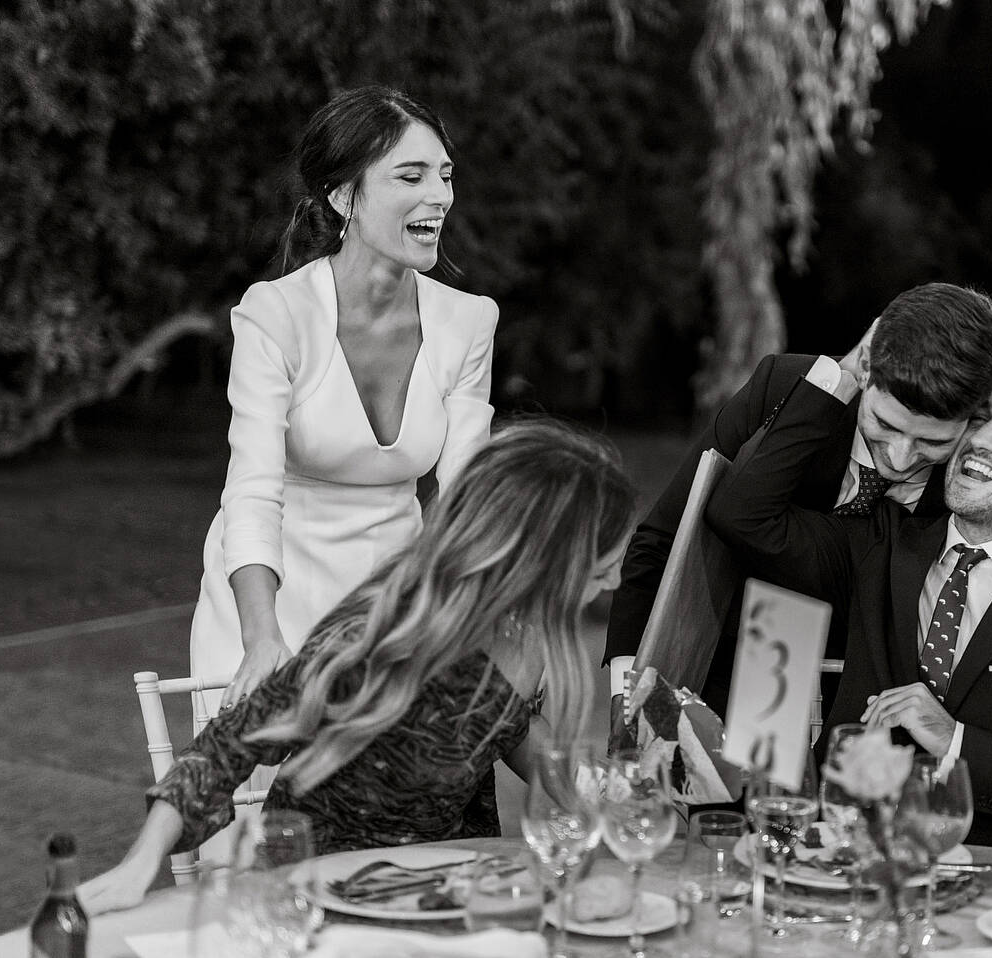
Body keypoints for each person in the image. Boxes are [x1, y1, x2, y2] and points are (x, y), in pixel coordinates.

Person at [80, 419, 638, 914]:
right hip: (319, 897)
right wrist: (139, 864)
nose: (613, 584)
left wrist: (608, 795)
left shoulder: (524, 634)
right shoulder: (380, 638)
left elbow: (504, 728)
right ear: (540, 559)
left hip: (443, 891)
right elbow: (229, 746)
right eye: (601, 568)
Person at [604, 283, 992, 751]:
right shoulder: (791, 390)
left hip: (876, 693)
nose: (902, 456)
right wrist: (630, 684)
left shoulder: (974, 471)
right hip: (751, 656)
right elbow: (666, 536)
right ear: (869, 376)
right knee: (738, 837)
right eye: (883, 426)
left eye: (932, 441)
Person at [707, 354, 992, 844]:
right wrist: (841, 380)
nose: (982, 439)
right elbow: (742, 513)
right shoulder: (876, 545)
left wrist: (956, 742)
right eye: (980, 418)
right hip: (845, 863)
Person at [192, 86, 499, 715]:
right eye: (409, 176)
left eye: (445, 175)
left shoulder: (469, 323)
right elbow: (251, 489)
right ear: (342, 196)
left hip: (388, 616)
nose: (438, 196)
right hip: (264, 604)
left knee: (385, 809)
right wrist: (260, 639)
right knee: (252, 811)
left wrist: (462, 620)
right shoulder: (275, 315)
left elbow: (465, 500)